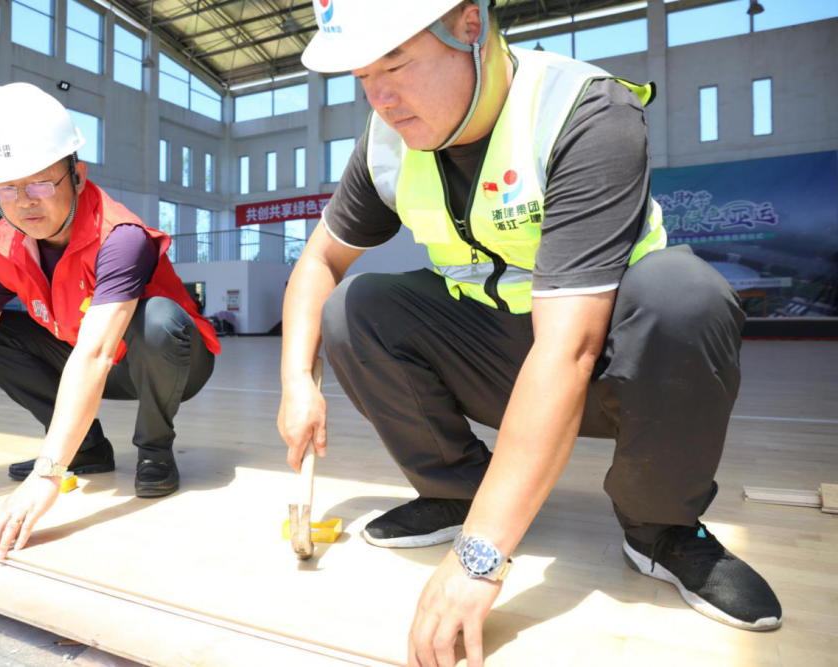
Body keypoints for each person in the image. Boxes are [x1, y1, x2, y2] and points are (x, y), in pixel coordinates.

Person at [277, 1, 781, 664]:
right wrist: (296, 384)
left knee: (684, 297)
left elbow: (568, 348)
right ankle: (456, 489)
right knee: (354, 307)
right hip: (500, 355)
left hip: (612, 363)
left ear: (469, 25)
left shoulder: (583, 113)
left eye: (396, 64)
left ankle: (660, 524)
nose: (381, 98)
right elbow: (318, 261)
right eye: (362, 75)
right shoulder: (388, 139)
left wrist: (480, 557)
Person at [0, 83, 219, 561]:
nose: (24, 202)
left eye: (38, 183)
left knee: (157, 321)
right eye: (6, 188)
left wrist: (46, 475)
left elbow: (96, 354)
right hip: (87, 355)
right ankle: (89, 449)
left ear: (77, 175)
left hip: (167, 357)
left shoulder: (119, 238)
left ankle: (155, 447)